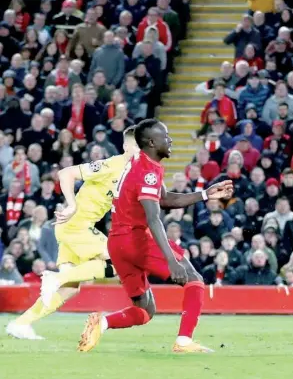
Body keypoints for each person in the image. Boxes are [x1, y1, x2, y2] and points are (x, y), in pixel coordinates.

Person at [77, 119, 234, 353]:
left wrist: (204, 195)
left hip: (117, 243)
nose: (170, 140)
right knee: (194, 279)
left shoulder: (140, 163)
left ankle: (103, 323)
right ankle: (184, 341)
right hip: (134, 239)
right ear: (151, 142)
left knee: (144, 311)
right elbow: (153, 217)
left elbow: (165, 199)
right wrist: (171, 260)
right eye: (165, 136)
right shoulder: (147, 172)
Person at [5, 127, 139, 340]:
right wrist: (71, 204)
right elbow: (65, 173)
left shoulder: (131, 173)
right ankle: (56, 278)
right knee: (117, 263)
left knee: (70, 289)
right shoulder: (112, 164)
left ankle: (21, 324)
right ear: (126, 146)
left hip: (75, 228)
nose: (142, 151)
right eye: (138, 146)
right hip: (76, 224)